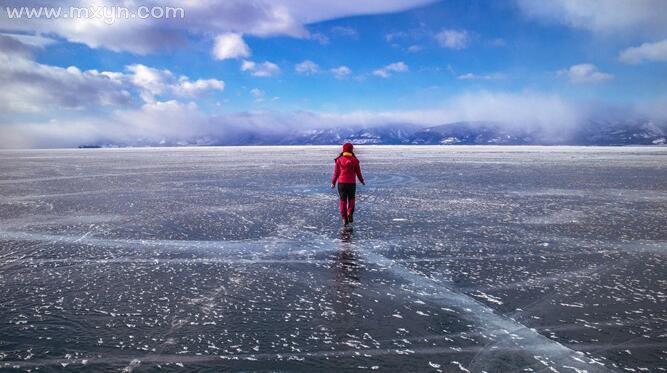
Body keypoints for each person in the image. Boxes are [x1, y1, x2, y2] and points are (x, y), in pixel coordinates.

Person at [331, 142, 365, 226]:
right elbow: (358, 173)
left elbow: (336, 173)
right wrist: (362, 181)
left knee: (343, 201)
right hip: (351, 184)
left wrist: (333, 182)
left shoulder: (339, 159)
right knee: (351, 199)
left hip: (341, 184)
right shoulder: (355, 160)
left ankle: (344, 218)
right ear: (351, 150)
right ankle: (350, 212)